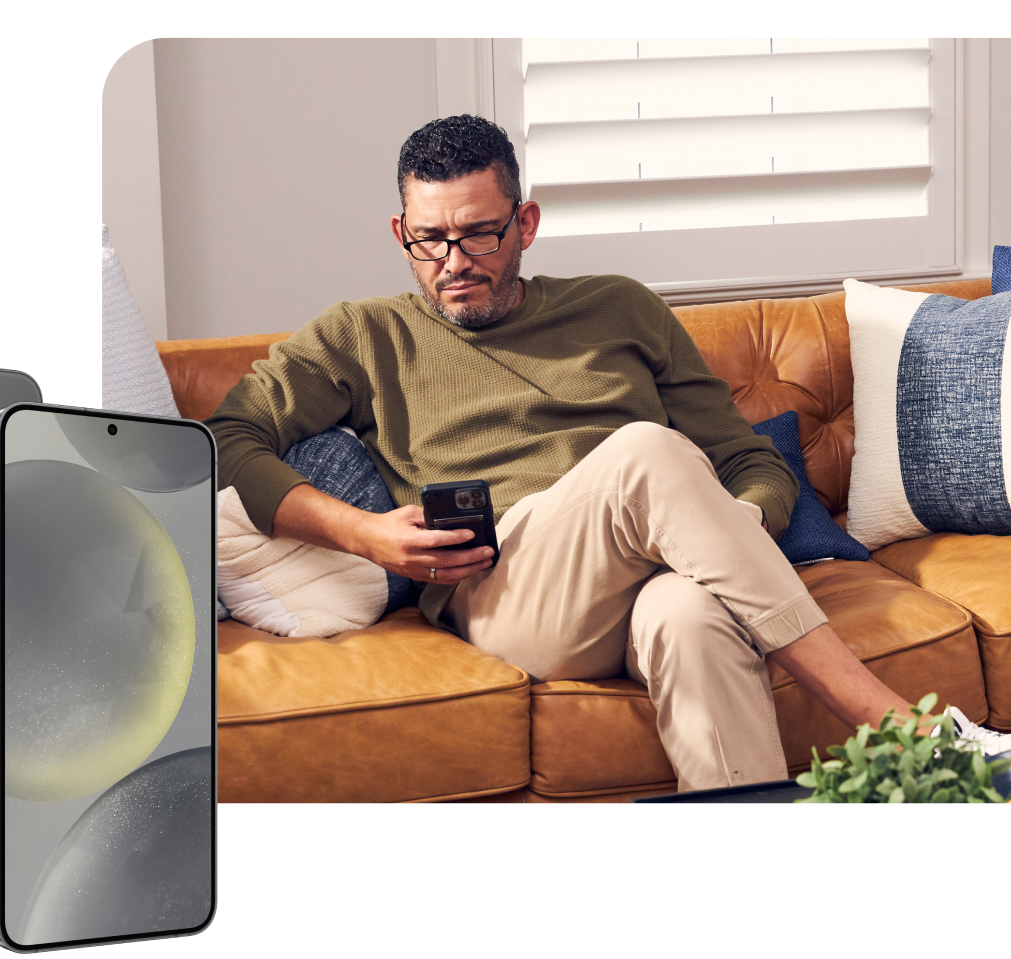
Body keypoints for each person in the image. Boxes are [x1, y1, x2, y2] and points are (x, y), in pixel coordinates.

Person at [207, 115, 927, 791]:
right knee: (647, 452)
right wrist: (363, 535)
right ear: (400, 231)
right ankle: (904, 733)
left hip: (654, 580)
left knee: (691, 618)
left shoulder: (620, 309)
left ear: (525, 223)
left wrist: (719, 529)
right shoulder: (363, 336)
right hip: (509, 593)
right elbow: (229, 438)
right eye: (429, 240)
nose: (453, 263)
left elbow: (751, 464)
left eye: (480, 235)